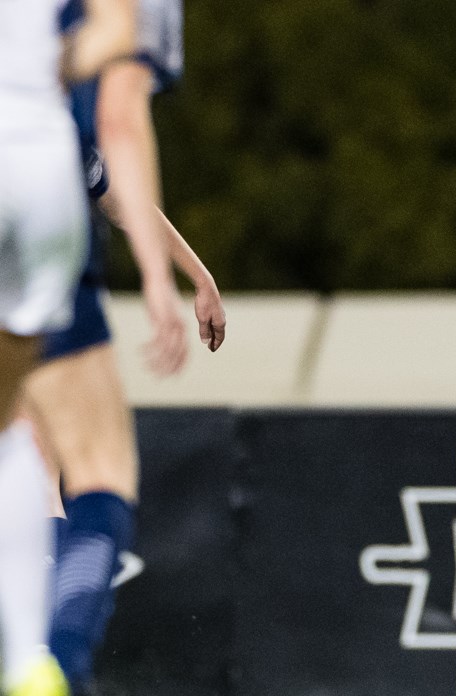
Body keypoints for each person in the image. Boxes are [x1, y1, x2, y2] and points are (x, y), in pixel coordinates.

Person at [18, 1, 221, 693]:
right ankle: (56, 662)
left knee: (33, 455)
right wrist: (158, 285)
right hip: (31, 204)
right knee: (96, 470)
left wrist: (191, 270)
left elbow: (102, 180)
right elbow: (118, 125)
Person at [0, 1, 165, 694]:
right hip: (36, 158)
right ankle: (43, 663)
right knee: (82, 459)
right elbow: (116, 60)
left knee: (16, 433)